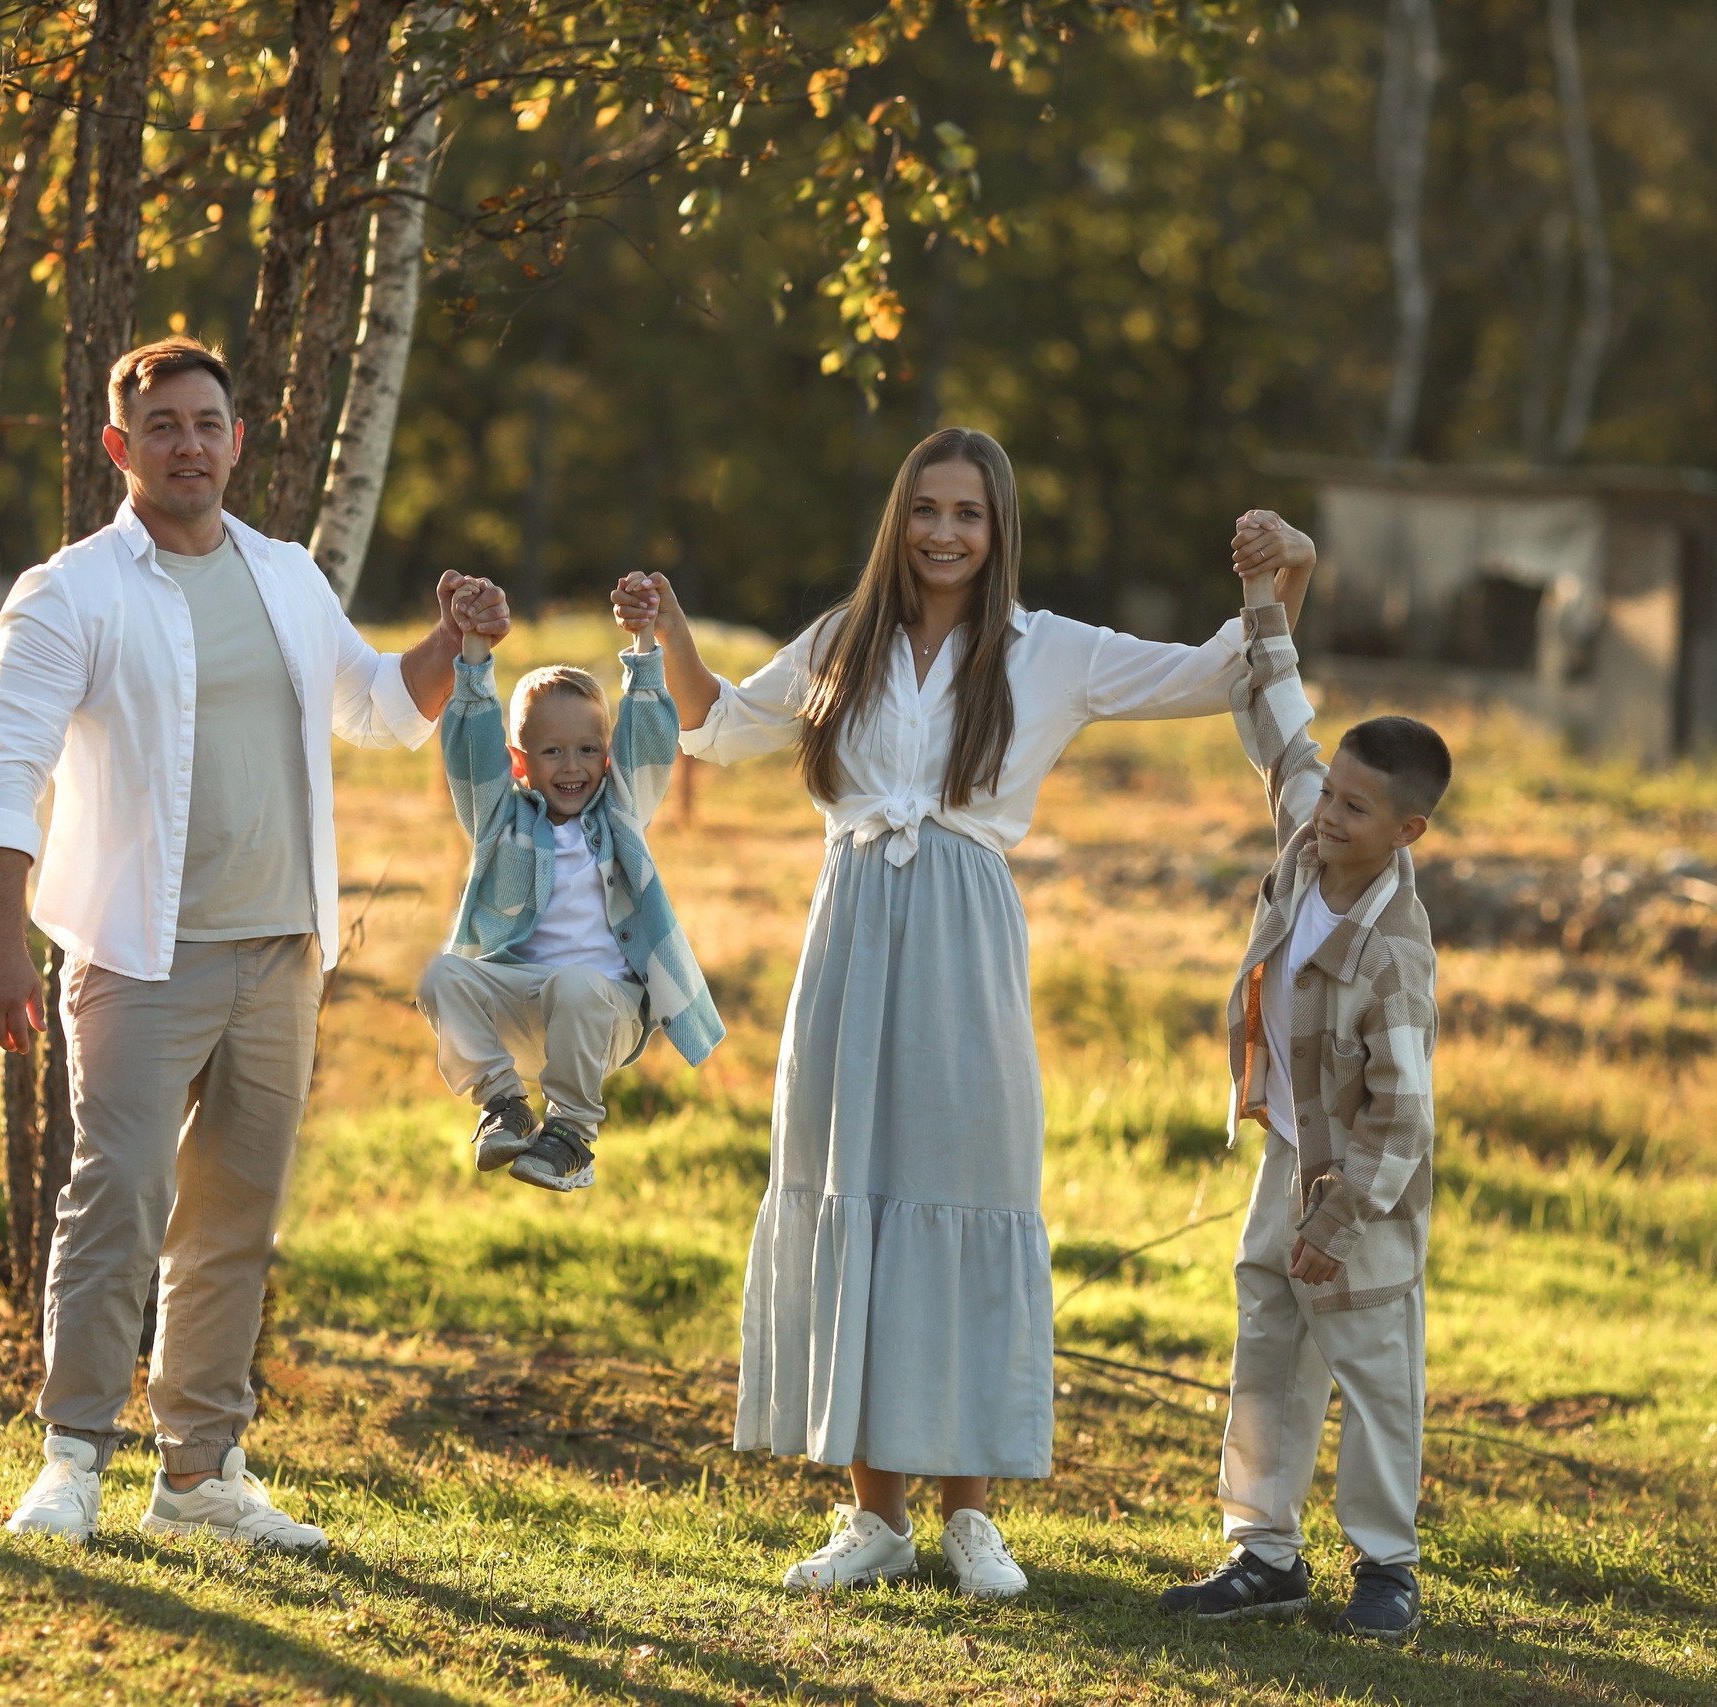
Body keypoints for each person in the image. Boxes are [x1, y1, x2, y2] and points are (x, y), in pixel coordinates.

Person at [612, 429, 1317, 1599]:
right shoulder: (841, 640)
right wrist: (669, 633)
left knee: (965, 1186)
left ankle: (970, 1515)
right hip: (848, 935)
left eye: (968, 514)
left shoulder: (1054, 653)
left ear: (998, 532)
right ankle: (873, 1518)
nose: (944, 532)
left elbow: (1225, 670)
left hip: (964, 930)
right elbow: (720, 729)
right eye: (927, 509)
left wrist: (1287, 571)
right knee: (857, 1185)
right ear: (900, 518)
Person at [0, 335, 510, 1549]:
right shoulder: (69, 592)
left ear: (237, 440)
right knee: (118, 1198)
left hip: (280, 954)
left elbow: (377, 708)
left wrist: (451, 645)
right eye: (162, 426)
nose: (188, 445)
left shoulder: (286, 575)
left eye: (207, 424)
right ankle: (71, 1460)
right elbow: (7, 772)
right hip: (136, 955)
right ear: (121, 447)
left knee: (234, 1221)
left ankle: (199, 1479)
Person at [1158, 522, 1445, 1640]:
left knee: (1370, 1363)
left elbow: (1402, 1120)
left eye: (1355, 810)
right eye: (1330, 796)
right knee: (1269, 1342)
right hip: (1289, 1150)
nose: (1328, 816)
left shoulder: (1394, 959)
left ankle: (1386, 1566)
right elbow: (1278, 713)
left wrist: (1338, 1220)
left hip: (1363, 1184)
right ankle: (1262, 1552)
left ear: (1407, 830)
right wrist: (1268, 586)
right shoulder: (1306, 836)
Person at [414, 580, 722, 1191]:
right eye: (552, 751)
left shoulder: (619, 815)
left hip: (603, 1012)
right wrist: (473, 649)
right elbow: (471, 753)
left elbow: (648, 733)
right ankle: (504, 1104)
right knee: (439, 974)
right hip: (523, 1001)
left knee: (577, 984)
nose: (573, 765)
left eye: (587, 749)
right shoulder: (501, 822)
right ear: (520, 762)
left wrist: (644, 640)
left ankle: (571, 1136)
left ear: (607, 756)